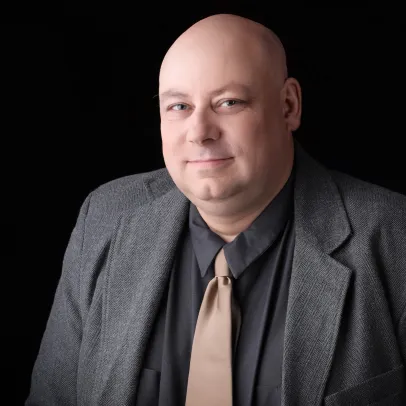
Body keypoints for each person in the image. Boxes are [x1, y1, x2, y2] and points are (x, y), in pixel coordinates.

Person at [26, 13, 406, 406]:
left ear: (289, 105)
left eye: (228, 102)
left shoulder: (396, 239)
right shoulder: (105, 218)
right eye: (179, 106)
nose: (200, 131)